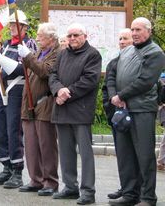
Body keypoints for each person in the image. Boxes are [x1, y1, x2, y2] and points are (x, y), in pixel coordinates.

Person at [107, 17, 165, 206]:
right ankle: (130, 194)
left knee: (145, 155)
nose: (134, 33)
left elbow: (146, 81)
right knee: (125, 154)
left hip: (142, 110)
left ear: (148, 31)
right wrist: (115, 96)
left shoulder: (155, 53)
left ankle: (148, 197)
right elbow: (112, 75)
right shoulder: (126, 51)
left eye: (138, 30)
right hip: (123, 109)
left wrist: (121, 95)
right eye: (132, 30)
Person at [48, 23, 101, 205]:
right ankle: (70, 187)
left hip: (80, 111)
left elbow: (89, 80)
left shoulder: (92, 54)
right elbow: (52, 75)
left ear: (84, 35)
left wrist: (66, 93)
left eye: (76, 35)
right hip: (62, 109)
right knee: (65, 151)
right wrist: (58, 90)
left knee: (85, 153)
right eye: (69, 35)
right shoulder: (62, 54)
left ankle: (88, 191)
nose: (72, 38)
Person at [0, 10, 30, 189]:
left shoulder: (28, 44)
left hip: (16, 90)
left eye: (16, 25)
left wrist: (1, 59)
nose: (13, 28)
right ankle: (6, 166)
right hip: (1, 91)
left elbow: (22, 70)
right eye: (11, 25)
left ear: (25, 27)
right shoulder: (4, 44)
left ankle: (17, 171)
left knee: (13, 131)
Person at [17, 23, 60, 196]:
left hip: (45, 103)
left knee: (46, 145)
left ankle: (50, 181)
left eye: (41, 36)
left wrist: (28, 56)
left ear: (51, 38)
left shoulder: (57, 53)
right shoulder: (38, 52)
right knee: (31, 145)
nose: (37, 38)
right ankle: (35, 179)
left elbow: (44, 71)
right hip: (30, 104)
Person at [102, 28, 133, 200]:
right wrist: (111, 108)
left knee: (135, 154)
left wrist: (123, 97)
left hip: (135, 113)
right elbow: (107, 87)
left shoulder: (140, 60)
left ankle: (137, 190)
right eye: (120, 38)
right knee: (122, 154)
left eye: (125, 38)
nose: (122, 41)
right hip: (117, 116)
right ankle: (125, 187)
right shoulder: (113, 62)